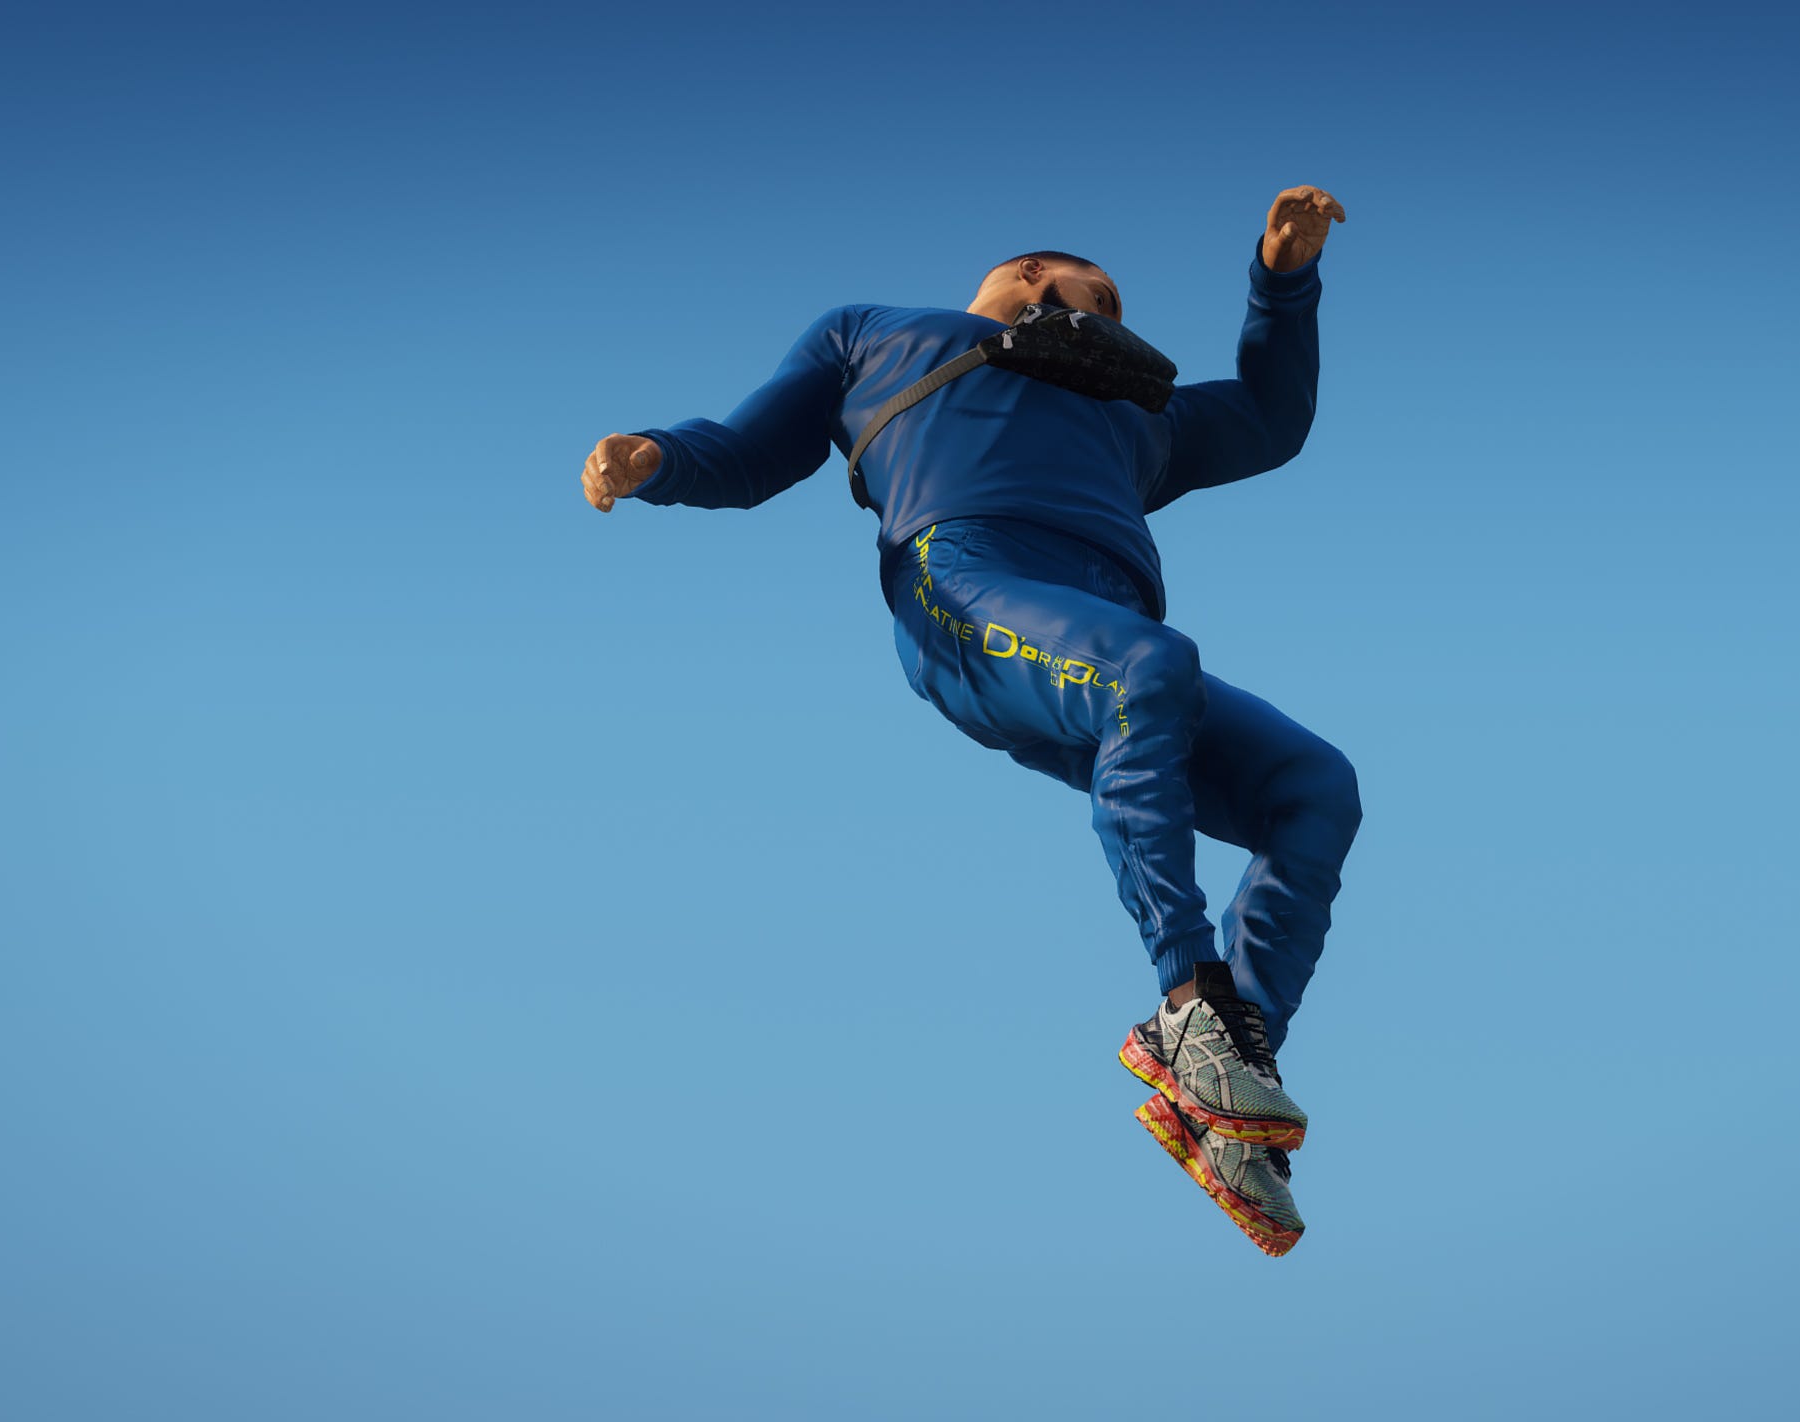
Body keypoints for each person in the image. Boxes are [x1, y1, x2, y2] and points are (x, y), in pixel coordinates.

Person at [580, 186, 1358, 1256]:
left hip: (1098, 646)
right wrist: (653, 458)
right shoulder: (873, 334)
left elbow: (1270, 421)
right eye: (1101, 294)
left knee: (1313, 784)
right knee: (1150, 666)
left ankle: (1224, 1098)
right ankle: (1189, 1004)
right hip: (964, 587)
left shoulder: (1139, 412)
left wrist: (1284, 279)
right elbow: (752, 451)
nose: (1115, 318)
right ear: (1033, 274)